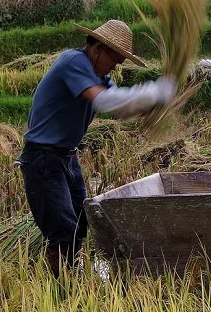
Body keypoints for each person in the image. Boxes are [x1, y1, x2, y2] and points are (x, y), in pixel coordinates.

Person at [16, 19, 176, 277]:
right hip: (43, 158)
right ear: (99, 48)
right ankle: (61, 290)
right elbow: (106, 101)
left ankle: (71, 279)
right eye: (116, 58)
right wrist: (154, 92)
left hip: (67, 158)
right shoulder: (74, 62)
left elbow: (122, 107)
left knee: (81, 223)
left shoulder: (99, 75)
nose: (117, 65)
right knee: (63, 230)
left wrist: (158, 99)